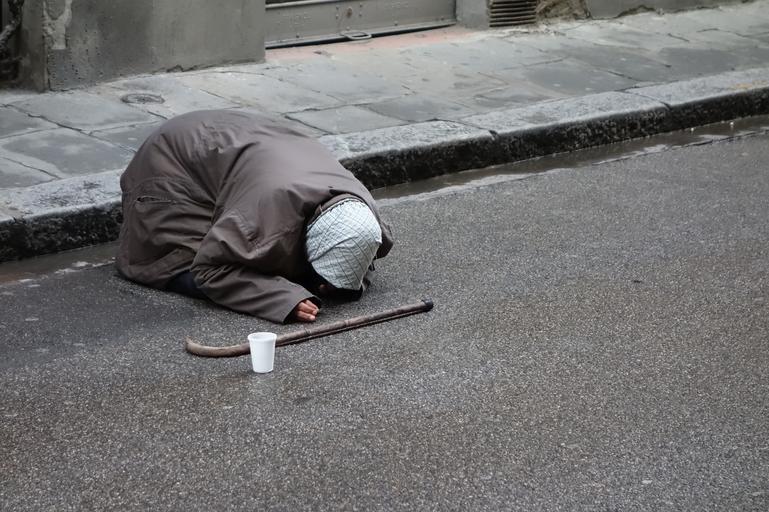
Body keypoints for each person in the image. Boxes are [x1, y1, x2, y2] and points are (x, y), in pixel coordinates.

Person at [116, 109, 393, 323]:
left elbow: (358, 246)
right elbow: (209, 270)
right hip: (171, 163)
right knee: (179, 263)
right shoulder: (264, 217)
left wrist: (344, 283)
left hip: (232, 139)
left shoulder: (362, 205)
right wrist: (282, 298)